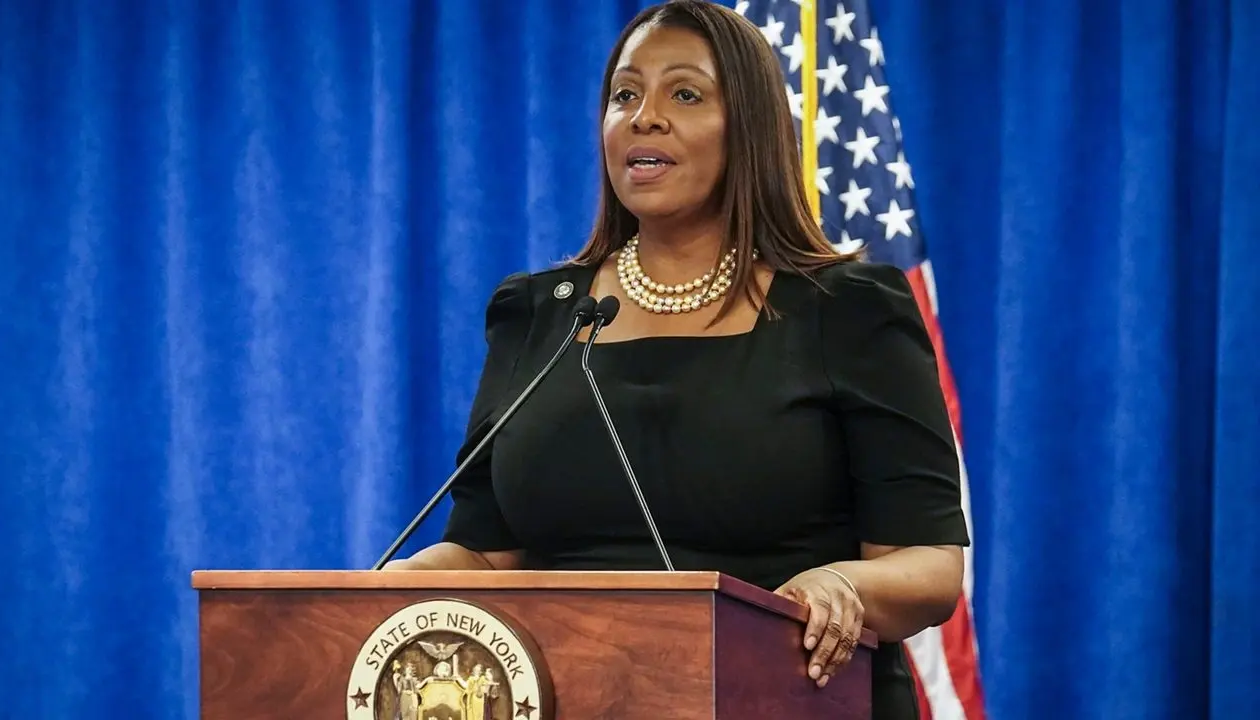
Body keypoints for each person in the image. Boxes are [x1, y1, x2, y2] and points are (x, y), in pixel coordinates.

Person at [385, 1, 969, 718]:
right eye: (625, 95)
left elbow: (929, 565)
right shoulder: (538, 314)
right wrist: (374, 595)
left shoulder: (845, 309)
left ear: (748, 129)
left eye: (684, 94)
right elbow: (483, 554)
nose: (644, 116)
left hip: (789, 698)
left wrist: (841, 588)